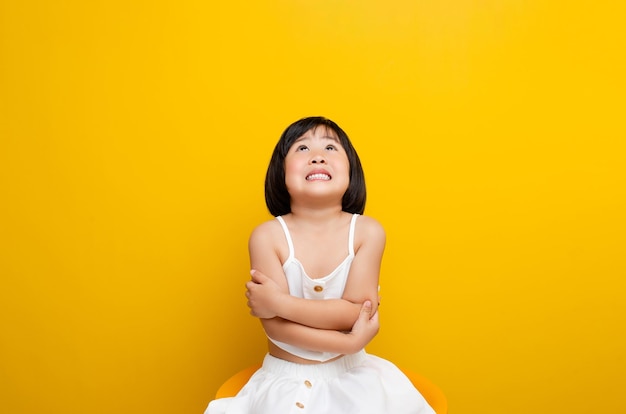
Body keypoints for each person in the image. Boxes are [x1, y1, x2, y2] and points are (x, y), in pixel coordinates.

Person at [205, 116, 435, 414]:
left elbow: (354, 312)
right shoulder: (267, 236)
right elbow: (277, 330)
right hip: (283, 382)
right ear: (281, 173)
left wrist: (278, 302)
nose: (317, 156)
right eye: (301, 149)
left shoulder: (367, 232)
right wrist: (347, 340)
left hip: (355, 378)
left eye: (330, 147)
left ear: (351, 171)